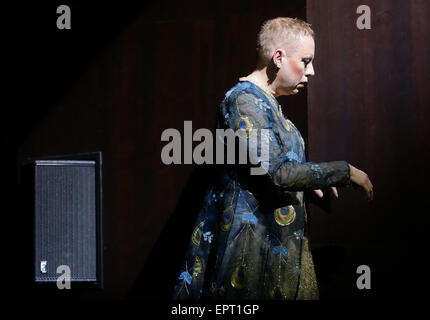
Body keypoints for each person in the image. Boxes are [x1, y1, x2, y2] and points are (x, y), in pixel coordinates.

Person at [172, 17, 373, 300]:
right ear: (278, 57)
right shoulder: (243, 101)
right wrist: (345, 171)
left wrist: (307, 180)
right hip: (250, 254)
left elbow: (272, 169)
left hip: (274, 247)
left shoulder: (267, 104)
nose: (311, 71)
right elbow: (276, 172)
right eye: (305, 60)